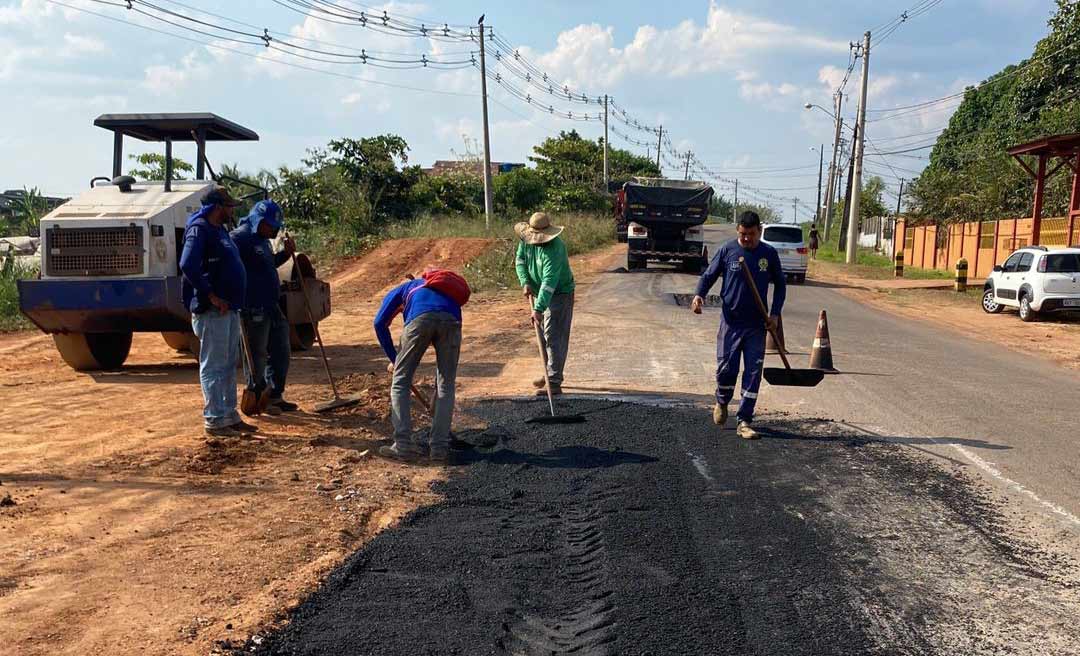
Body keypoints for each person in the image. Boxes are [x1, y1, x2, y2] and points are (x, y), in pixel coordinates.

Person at [691, 210, 786, 440]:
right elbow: (709, 276)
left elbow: (781, 286)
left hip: (756, 326)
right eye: (743, 234)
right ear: (738, 231)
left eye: (751, 234)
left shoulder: (768, 254)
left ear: (759, 232)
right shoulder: (727, 251)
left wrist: (774, 314)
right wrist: (698, 295)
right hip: (730, 324)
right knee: (726, 370)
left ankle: (744, 420)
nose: (746, 239)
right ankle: (722, 401)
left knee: (753, 373)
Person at [179, 185, 255, 437]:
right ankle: (214, 418)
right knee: (214, 365)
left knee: (227, 364)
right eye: (229, 206)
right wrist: (211, 295)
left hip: (229, 308)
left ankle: (229, 415)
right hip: (212, 310)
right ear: (217, 207)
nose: (232, 210)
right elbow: (187, 264)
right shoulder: (199, 229)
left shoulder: (219, 230)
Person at [373, 273, 464, 464]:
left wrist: (395, 359)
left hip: (420, 320)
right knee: (446, 384)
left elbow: (379, 323)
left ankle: (403, 445)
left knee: (400, 382)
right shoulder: (444, 291)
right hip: (452, 320)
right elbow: (444, 317)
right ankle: (439, 449)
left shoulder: (402, 290)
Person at [230, 199, 298, 416]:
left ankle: (274, 395)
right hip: (253, 307)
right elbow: (228, 268)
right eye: (270, 225)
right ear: (258, 220)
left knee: (281, 349)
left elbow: (267, 265)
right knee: (256, 354)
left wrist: (285, 255)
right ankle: (257, 396)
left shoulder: (264, 240)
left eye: (275, 225)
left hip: (271, 304)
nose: (274, 229)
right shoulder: (239, 238)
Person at [514, 212, 576, 395]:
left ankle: (555, 381)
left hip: (559, 293)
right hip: (538, 290)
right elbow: (520, 261)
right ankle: (549, 372)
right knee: (541, 335)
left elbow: (549, 281)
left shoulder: (555, 249)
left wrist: (539, 308)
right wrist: (525, 281)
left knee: (553, 335)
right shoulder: (526, 241)